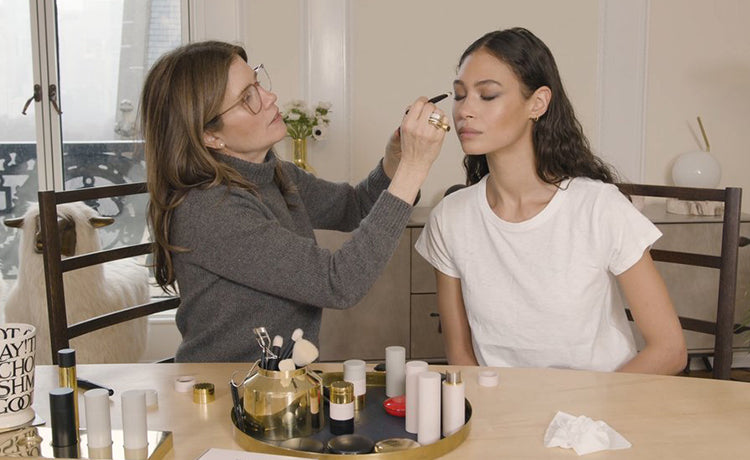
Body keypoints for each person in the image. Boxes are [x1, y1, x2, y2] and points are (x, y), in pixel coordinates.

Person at [140, 41, 448, 362]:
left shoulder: (275, 174)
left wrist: (395, 162)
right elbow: (338, 283)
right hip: (230, 385)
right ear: (210, 136)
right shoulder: (210, 210)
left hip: (280, 381)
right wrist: (414, 168)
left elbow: (354, 207)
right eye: (247, 98)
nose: (270, 97)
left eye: (258, 83)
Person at [415, 28, 687, 374]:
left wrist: (587, 408)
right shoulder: (451, 218)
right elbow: (461, 357)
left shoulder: (599, 208)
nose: (465, 110)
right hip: (502, 403)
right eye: (459, 95)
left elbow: (670, 350)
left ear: (538, 103)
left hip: (603, 401)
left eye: (487, 95)